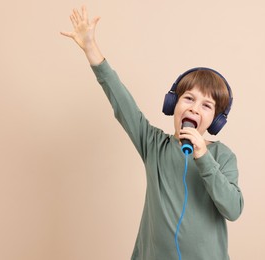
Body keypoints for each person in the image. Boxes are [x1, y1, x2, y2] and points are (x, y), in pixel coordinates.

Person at [61, 6, 244, 260]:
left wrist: (204, 158)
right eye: (188, 98)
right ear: (173, 104)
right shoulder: (153, 144)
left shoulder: (222, 156)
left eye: (206, 105)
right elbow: (121, 100)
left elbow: (233, 209)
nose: (194, 108)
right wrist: (91, 48)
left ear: (216, 120)